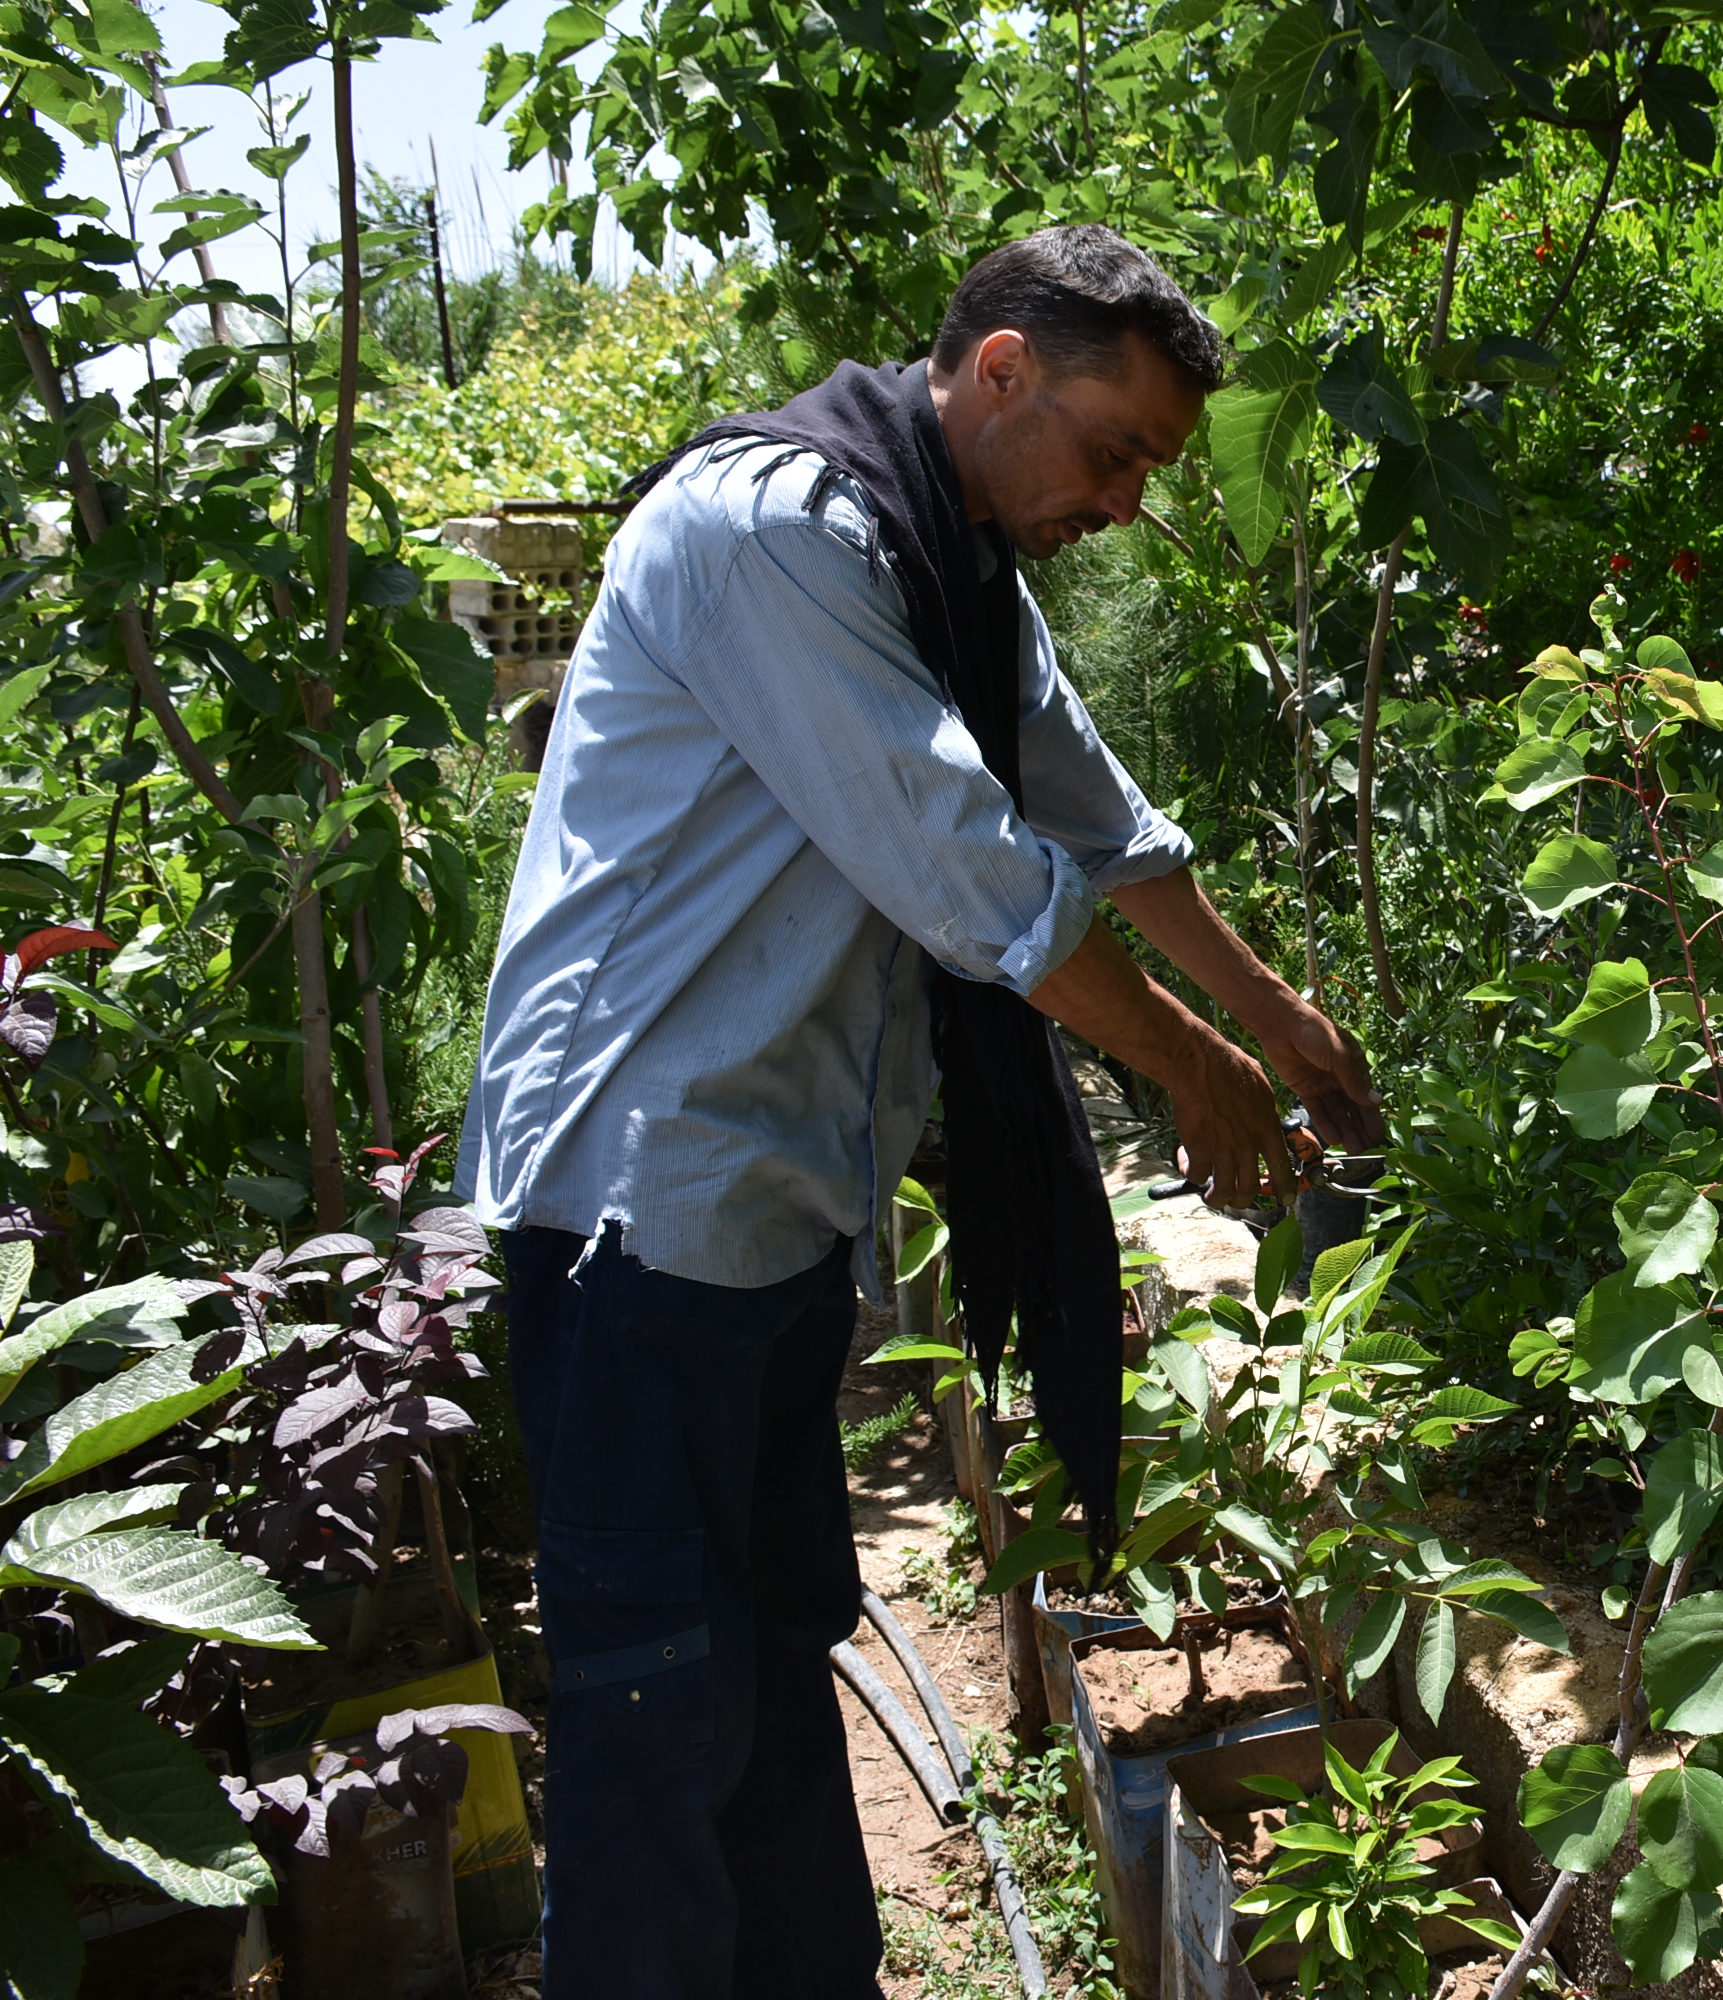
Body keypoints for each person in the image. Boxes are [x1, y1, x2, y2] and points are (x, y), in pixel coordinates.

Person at [458, 224, 1381, 2000]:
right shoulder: (773, 533)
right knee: (657, 1706)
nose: (1123, 503)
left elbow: (1098, 818)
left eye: (1149, 472)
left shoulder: (946, 563)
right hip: (635, 1213)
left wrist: (1275, 1017)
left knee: (776, 1648)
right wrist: (1194, 1071)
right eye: (1114, 452)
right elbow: (990, 885)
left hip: (775, 1201)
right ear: (1005, 369)